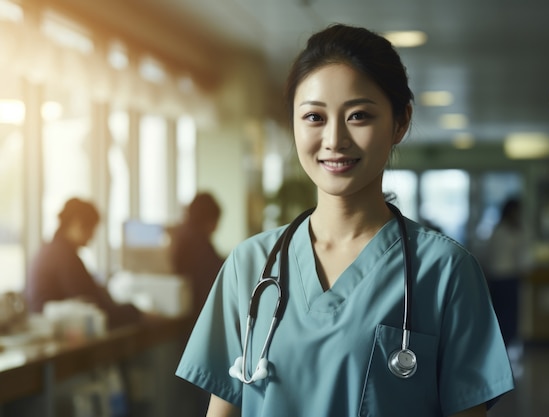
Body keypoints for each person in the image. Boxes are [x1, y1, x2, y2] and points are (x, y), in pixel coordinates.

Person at [176, 24, 514, 417]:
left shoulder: (445, 271)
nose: (335, 139)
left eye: (358, 115)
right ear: (294, 124)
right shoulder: (249, 265)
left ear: (400, 122)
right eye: (314, 117)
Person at [25, 198, 143, 329]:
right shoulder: (64, 257)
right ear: (77, 223)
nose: (92, 237)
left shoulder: (49, 250)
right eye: (91, 229)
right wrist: (136, 312)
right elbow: (96, 306)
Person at [485, 197, 532, 356]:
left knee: (501, 314)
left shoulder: (497, 230)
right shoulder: (512, 231)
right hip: (508, 277)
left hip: (497, 277)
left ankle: (501, 347)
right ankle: (504, 346)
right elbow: (522, 256)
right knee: (508, 315)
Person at [169, 192, 225, 317]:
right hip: (197, 313)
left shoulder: (182, 235)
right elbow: (218, 271)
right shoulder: (198, 243)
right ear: (210, 220)